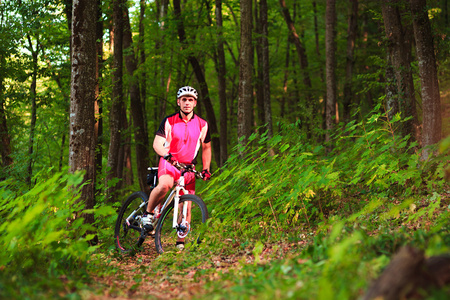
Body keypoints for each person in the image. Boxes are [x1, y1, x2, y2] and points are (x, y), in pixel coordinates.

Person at [142, 86, 211, 250]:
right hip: (169, 163)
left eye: (191, 100)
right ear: (178, 102)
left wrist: (206, 168)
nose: (187, 103)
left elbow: (206, 147)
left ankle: (180, 244)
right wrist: (166, 155)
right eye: (184, 99)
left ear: (195, 103)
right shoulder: (169, 121)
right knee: (165, 185)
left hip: (188, 168)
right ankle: (148, 213)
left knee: (186, 205)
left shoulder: (202, 124)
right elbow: (157, 143)